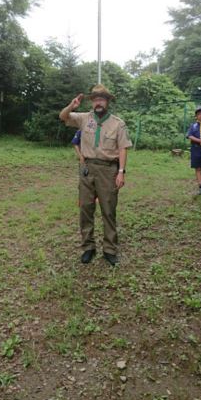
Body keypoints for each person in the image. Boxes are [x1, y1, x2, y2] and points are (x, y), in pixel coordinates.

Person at [59, 84, 132, 266]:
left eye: (102, 99)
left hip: (109, 170)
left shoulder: (117, 123)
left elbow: (123, 148)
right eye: (95, 99)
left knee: (108, 209)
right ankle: (88, 247)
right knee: (85, 208)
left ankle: (109, 249)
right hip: (87, 168)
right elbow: (63, 117)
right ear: (92, 102)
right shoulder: (84, 118)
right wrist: (71, 106)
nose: (98, 102)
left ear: (107, 102)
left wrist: (121, 172)